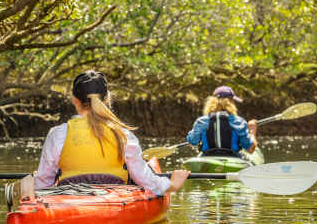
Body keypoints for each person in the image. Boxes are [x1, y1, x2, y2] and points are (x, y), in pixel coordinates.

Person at [33, 70, 189, 195]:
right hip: (114, 197)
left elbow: (42, 184)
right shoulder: (123, 135)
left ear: (74, 99)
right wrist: (173, 184)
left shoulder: (57, 134)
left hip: (68, 197)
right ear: (106, 99)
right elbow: (144, 179)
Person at [186, 86, 257, 157]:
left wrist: (194, 138)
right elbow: (250, 149)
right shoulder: (239, 122)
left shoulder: (201, 121)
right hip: (232, 159)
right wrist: (252, 131)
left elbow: (192, 142)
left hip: (207, 158)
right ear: (230, 102)